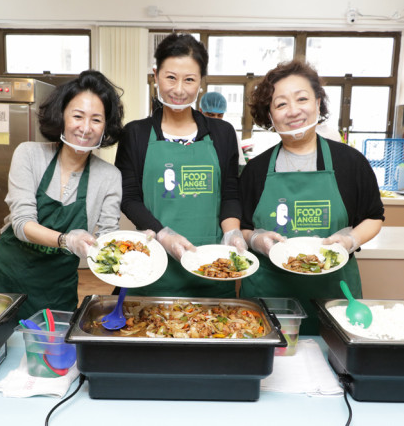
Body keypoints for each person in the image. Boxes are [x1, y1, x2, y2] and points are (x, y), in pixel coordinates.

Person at [239, 60, 384, 334]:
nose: (293, 111)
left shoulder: (350, 163)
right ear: (269, 115)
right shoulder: (255, 171)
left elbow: (374, 217)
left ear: (318, 103)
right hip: (270, 297)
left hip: (333, 295)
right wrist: (256, 240)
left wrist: (350, 240)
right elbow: (243, 226)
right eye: (280, 104)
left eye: (302, 99)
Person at [0, 70, 124, 319]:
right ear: (61, 116)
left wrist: (136, 246)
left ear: (106, 126)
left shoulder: (109, 177)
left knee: (48, 355)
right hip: (3, 281)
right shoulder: (29, 155)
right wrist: (67, 240)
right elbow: (21, 224)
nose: (85, 128)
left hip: (55, 291)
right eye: (77, 116)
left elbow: (107, 240)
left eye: (96, 119)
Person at [115, 33, 246, 298]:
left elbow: (230, 193)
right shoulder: (136, 134)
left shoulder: (221, 133)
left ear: (201, 82)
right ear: (156, 76)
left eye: (189, 80)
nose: (178, 89)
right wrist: (163, 234)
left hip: (211, 266)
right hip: (154, 264)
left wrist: (232, 233)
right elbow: (128, 197)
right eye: (170, 77)